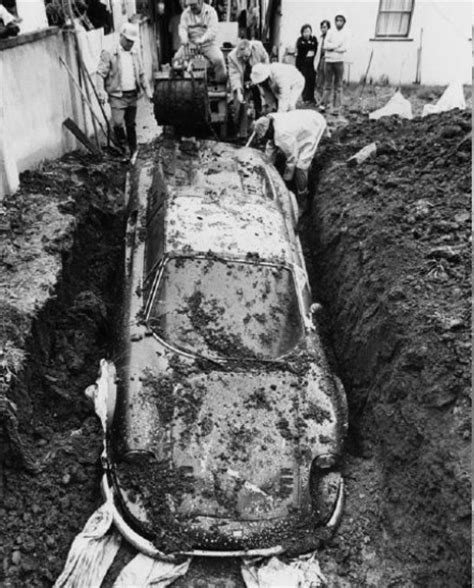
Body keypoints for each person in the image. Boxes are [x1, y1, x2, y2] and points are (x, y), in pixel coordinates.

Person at [253, 110, 328, 218]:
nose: (266, 139)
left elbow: (292, 158)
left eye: (265, 136)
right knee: (295, 159)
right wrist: (266, 166)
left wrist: (285, 180)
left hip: (313, 125)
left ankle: (303, 199)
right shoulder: (271, 124)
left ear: (269, 130)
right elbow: (270, 149)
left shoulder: (282, 134)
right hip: (304, 120)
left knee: (301, 166)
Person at [96, 22, 153, 161]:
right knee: (117, 123)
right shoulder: (109, 53)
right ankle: (124, 148)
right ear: (121, 36)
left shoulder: (135, 53)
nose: (130, 44)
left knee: (131, 124)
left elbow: (141, 74)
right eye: (127, 40)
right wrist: (100, 90)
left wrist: (148, 91)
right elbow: (99, 73)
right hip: (117, 96)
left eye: (132, 41)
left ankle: (134, 149)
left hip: (132, 95)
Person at [175, 0, 226, 82]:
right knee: (177, 58)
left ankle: (220, 83)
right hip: (191, 44)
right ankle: (181, 84)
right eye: (190, 5)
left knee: (219, 59)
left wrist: (202, 39)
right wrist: (184, 39)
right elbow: (182, 28)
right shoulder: (186, 13)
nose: (192, 7)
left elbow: (213, 30)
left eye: (194, 5)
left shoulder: (211, 12)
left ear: (201, 2)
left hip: (208, 44)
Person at [228, 38, 268, 125]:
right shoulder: (232, 57)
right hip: (243, 80)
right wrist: (238, 92)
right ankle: (241, 131)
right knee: (241, 103)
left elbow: (265, 61)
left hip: (258, 76)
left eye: (246, 56)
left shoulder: (259, 48)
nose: (244, 59)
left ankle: (260, 121)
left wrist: (261, 77)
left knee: (261, 98)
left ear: (250, 49)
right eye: (241, 57)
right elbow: (234, 75)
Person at [320, 13, 349, 114]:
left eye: (341, 21)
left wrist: (332, 48)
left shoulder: (345, 33)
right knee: (327, 84)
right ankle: (324, 105)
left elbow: (344, 48)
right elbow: (325, 45)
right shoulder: (330, 32)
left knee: (338, 85)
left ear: (344, 23)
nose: (339, 22)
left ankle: (336, 108)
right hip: (329, 61)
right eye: (337, 20)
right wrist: (336, 46)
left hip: (339, 62)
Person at [295, 24, 318, 104]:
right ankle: (305, 98)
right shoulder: (300, 40)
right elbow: (301, 47)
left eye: (308, 31)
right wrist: (309, 46)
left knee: (312, 80)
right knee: (304, 80)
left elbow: (315, 46)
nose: (306, 33)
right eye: (304, 32)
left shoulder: (314, 39)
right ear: (302, 33)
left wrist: (309, 46)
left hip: (312, 64)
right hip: (303, 64)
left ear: (311, 32)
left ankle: (311, 98)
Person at [314, 19, 330, 104]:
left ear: (328, 28)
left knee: (327, 82)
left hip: (328, 60)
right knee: (319, 81)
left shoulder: (331, 37)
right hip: (321, 60)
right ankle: (319, 100)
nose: (323, 29)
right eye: (322, 27)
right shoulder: (320, 38)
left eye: (325, 27)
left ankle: (326, 101)